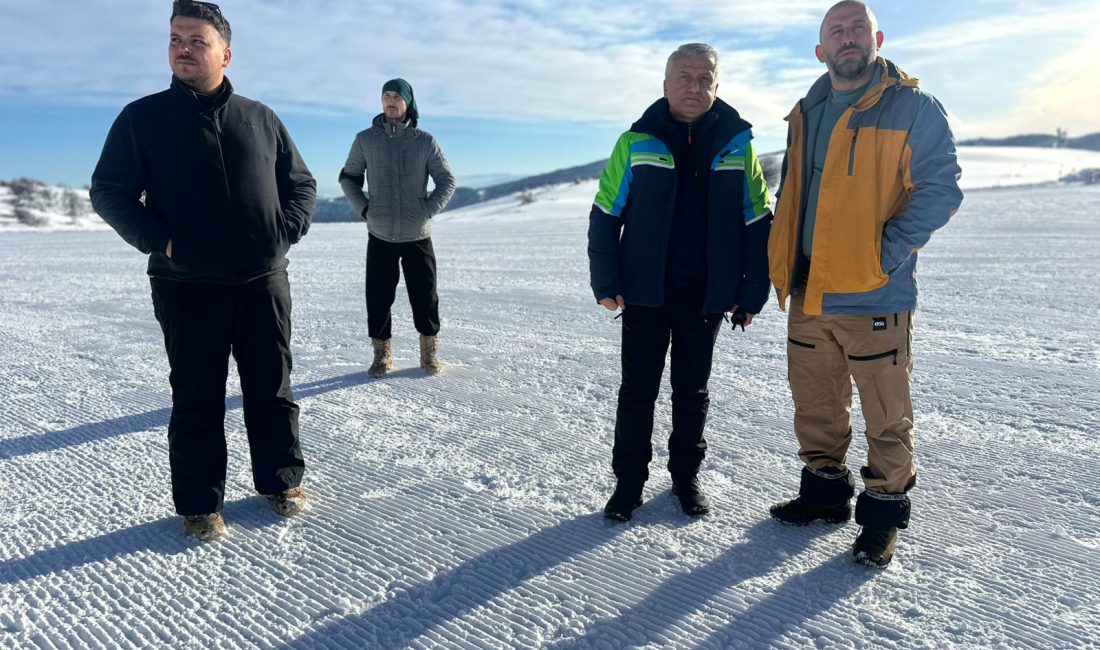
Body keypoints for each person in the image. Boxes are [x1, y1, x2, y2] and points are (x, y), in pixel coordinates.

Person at [90, 0, 316, 541]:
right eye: (175, 38)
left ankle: (281, 479)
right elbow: (109, 192)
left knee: (272, 387)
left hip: (263, 280)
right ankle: (199, 502)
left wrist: (284, 232)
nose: (183, 48)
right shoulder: (143, 118)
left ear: (226, 54)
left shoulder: (260, 118)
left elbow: (300, 183)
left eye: (197, 40)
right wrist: (162, 241)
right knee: (197, 395)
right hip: (187, 284)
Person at [767, 1, 963, 566]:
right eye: (836, 30)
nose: (847, 38)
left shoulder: (912, 108)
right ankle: (824, 496)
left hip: (875, 294)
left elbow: (940, 190)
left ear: (876, 37)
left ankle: (881, 516)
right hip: (809, 292)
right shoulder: (809, 108)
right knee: (817, 404)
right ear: (820, 49)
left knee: (885, 412)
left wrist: (882, 255)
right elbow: (797, 195)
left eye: (857, 28)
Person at [588, 43, 773, 522]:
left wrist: (752, 291)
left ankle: (685, 478)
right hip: (645, 292)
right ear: (665, 84)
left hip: (706, 294)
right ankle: (629, 483)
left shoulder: (738, 144)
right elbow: (606, 213)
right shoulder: (636, 142)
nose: (694, 86)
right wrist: (606, 279)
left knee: (692, 392)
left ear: (717, 85)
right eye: (684, 77)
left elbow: (758, 223)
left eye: (704, 78)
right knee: (638, 391)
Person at [339, 79, 456, 378]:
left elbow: (446, 181)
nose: (391, 101)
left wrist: (426, 210)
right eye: (386, 96)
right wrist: (364, 209)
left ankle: (429, 354)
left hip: (417, 234)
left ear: (408, 103)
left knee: (425, 296)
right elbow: (349, 177)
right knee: (378, 296)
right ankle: (381, 356)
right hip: (380, 234)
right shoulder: (365, 139)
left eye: (397, 97)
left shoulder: (424, 141)